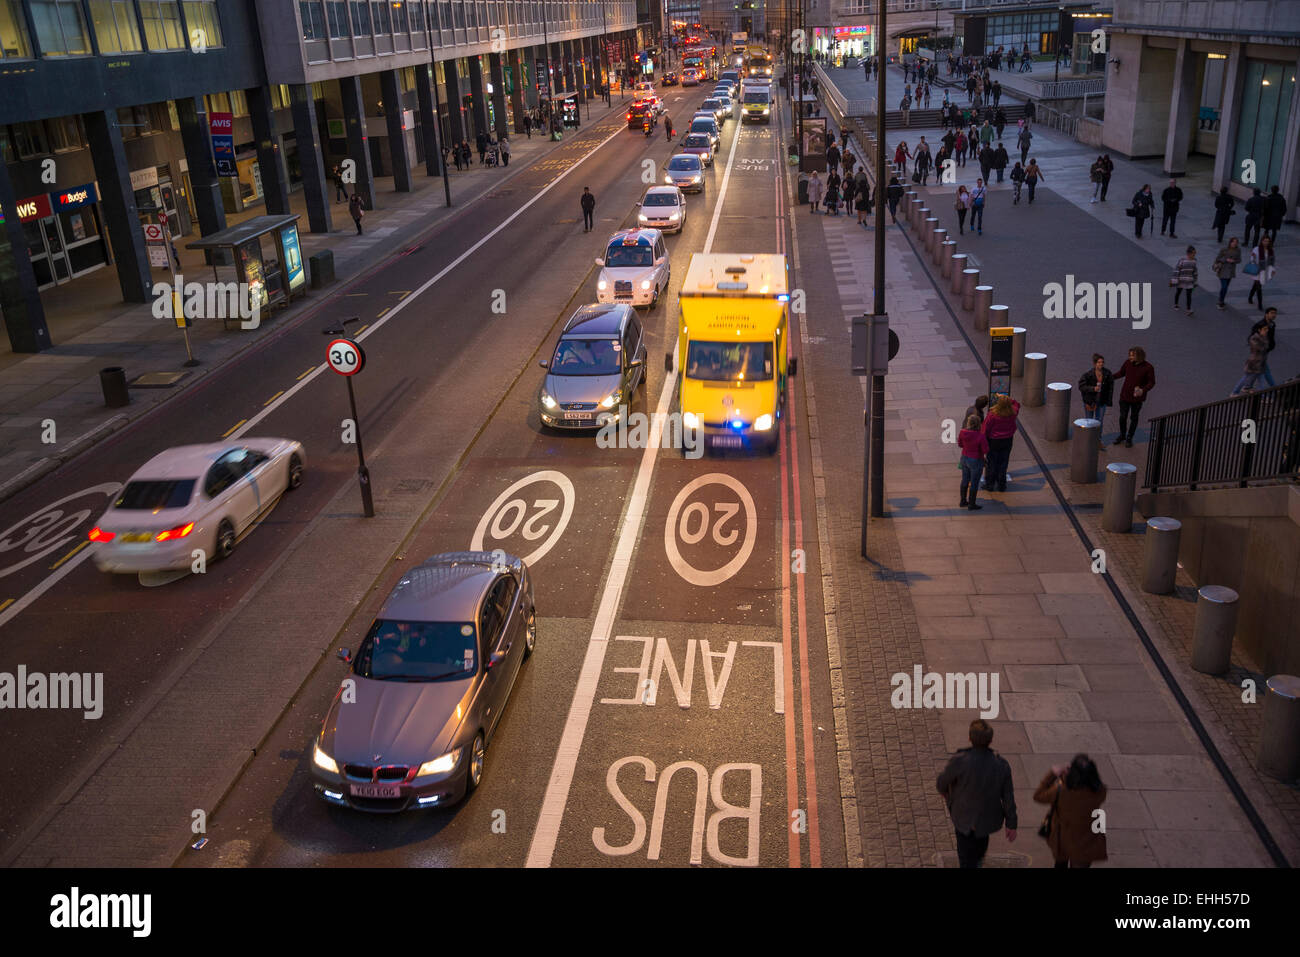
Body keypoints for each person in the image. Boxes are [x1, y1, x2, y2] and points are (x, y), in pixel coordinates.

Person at [936, 719, 1018, 868]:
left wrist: (947, 795)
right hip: (987, 819)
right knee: (980, 848)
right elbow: (1008, 797)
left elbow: (942, 782)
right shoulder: (1001, 765)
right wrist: (1011, 823)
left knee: (965, 854)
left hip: (963, 817)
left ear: (970, 738)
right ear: (991, 740)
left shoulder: (960, 761)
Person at [1034, 755, 1108, 869]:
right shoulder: (1100, 791)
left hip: (1062, 838)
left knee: (1060, 863)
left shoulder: (1061, 791)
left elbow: (1038, 796)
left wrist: (1053, 774)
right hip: (1087, 840)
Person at [1113, 346, 1155, 448]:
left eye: (1132, 355)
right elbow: (1121, 373)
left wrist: (1142, 390)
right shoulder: (1128, 363)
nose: (1130, 357)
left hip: (1137, 398)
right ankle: (1122, 435)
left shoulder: (1148, 367)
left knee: (1134, 418)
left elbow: (1151, 383)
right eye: (1129, 355)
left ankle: (1129, 438)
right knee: (1123, 417)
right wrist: (1109, 377)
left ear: (1139, 356)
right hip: (1124, 396)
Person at [981, 393, 1020, 492]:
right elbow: (1017, 404)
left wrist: (983, 442)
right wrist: (1007, 398)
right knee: (1003, 462)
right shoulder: (1013, 413)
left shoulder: (992, 415)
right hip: (1007, 440)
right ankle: (1002, 485)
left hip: (994, 441)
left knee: (992, 463)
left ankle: (990, 484)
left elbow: (985, 429)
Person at [1078, 354, 1115, 449]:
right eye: (1099, 362)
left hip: (1101, 402)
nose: (1101, 364)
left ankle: (1098, 440)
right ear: (1094, 363)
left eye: (1102, 362)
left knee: (1099, 422)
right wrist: (1093, 389)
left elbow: (1111, 387)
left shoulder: (1107, 373)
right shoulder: (1088, 374)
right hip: (1090, 401)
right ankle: (1088, 440)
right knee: (1089, 422)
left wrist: (1108, 400)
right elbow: (1081, 387)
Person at [1231, 320, 1272, 395]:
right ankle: (1235, 392)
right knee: (1246, 378)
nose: (1266, 331)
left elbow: (1266, 347)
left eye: (1267, 329)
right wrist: (1264, 340)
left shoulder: (1264, 337)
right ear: (1259, 330)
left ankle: (1259, 394)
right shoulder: (1254, 338)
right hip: (1254, 363)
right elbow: (1261, 348)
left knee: (1261, 381)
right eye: (1264, 329)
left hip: (1261, 363)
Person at [958, 414, 989, 510]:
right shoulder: (980, 436)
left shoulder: (962, 432)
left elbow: (960, 444)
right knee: (974, 482)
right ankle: (972, 504)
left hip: (964, 457)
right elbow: (985, 450)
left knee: (965, 479)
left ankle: (963, 501)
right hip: (976, 460)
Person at [1246, 235, 1275, 312]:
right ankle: (1260, 304)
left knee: (1256, 285)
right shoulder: (1256, 249)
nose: (1266, 243)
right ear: (1261, 241)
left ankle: (1250, 296)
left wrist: (1272, 270)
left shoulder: (1270, 250)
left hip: (1264, 271)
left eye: (1267, 241)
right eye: (1265, 241)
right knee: (1259, 287)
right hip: (1257, 270)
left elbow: (1271, 261)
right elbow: (1252, 258)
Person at [1212, 237, 1242, 309]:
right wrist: (1226, 259)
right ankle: (1220, 301)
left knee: (1225, 287)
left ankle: (1221, 300)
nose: (1234, 243)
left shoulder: (1238, 250)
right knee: (1224, 287)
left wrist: (1234, 261)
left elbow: (1239, 260)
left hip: (1231, 271)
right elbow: (1217, 259)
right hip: (1222, 270)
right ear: (1230, 242)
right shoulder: (1224, 250)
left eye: (1236, 242)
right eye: (1233, 242)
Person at [1171, 245, 1198, 316]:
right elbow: (1177, 270)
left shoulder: (1194, 261)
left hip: (1189, 280)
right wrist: (1175, 279)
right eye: (1193, 253)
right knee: (1178, 292)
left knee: (1189, 295)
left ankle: (1188, 309)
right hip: (1181, 280)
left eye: (1195, 253)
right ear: (1188, 253)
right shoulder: (1182, 260)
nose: (1194, 255)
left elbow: (1195, 271)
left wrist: (1195, 281)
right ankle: (1176, 304)